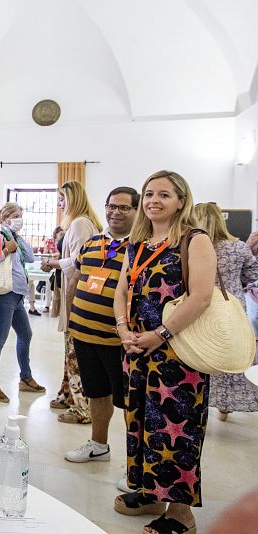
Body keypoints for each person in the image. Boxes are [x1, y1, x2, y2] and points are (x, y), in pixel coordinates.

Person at [112, 170, 216, 534]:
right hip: (138, 350)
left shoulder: (194, 240)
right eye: (149, 194)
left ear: (181, 201)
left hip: (179, 356)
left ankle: (181, 513)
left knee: (177, 428)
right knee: (140, 424)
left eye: (164, 195)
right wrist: (124, 330)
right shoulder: (138, 243)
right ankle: (152, 492)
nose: (154, 200)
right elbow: (122, 291)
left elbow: (202, 297)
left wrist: (161, 333)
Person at [63, 187, 138, 494]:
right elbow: (79, 277)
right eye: (111, 206)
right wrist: (70, 321)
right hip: (83, 333)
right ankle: (98, 445)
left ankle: (135, 467)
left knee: (129, 403)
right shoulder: (93, 242)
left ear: (137, 211)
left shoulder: (140, 248)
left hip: (116, 340)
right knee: (96, 394)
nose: (115, 212)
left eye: (123, 207)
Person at [41, 181, 102, 423]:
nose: (60, 204)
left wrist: (54, 263)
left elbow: (79, 261)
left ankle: (81, 407)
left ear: (73, 199)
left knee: (75, 352)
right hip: (75, 291)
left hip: (77, 294)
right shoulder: (83, 223)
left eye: (63, 199)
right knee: (70, 349)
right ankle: (67, 394)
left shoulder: (79, 224)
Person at [192, 202, 258, 421]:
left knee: (201, 356)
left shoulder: (191, 246)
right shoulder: (238, 247)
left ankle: (199, 403)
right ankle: (225, 407)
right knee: (230, 357)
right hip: (232, 310)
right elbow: (251, 276)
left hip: (200, 307)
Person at [0, 202, 45, 403]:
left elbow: (30, 257)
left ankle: (25, 378)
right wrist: (6, 247)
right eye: (16, 215)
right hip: (4, 295)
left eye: (21, 215)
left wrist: (16, 238)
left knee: (25, 334)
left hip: (17, 295)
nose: (20, 219)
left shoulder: (13, 237)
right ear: (5, 218)